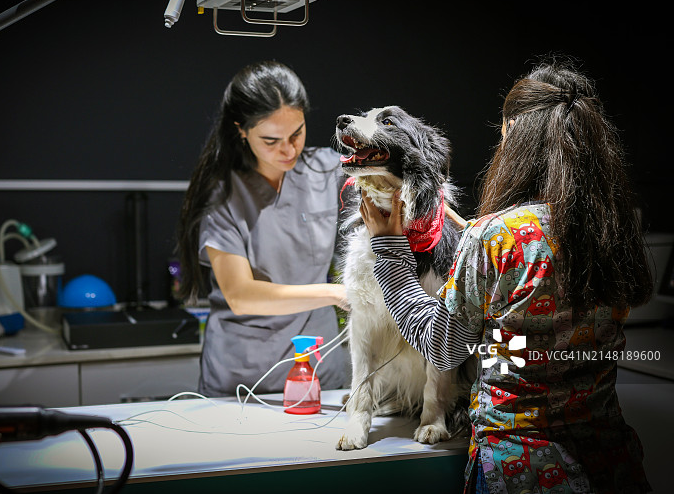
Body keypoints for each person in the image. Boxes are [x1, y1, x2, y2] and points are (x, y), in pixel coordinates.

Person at [359, 56, 653, 493]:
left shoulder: (500, 236)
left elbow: (443, 347)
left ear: (515, 135)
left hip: (523, 466)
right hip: (611, 460)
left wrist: (388, 250)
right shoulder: (617, 226)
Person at [176, 60, 350, 397]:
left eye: (296, 133)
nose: (288, 150)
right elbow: (240, 296)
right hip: (244, 376)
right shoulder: (223, 196)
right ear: (241, 130)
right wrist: (334, 294)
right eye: (271, 141)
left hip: (319, 370)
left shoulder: (326, 170)